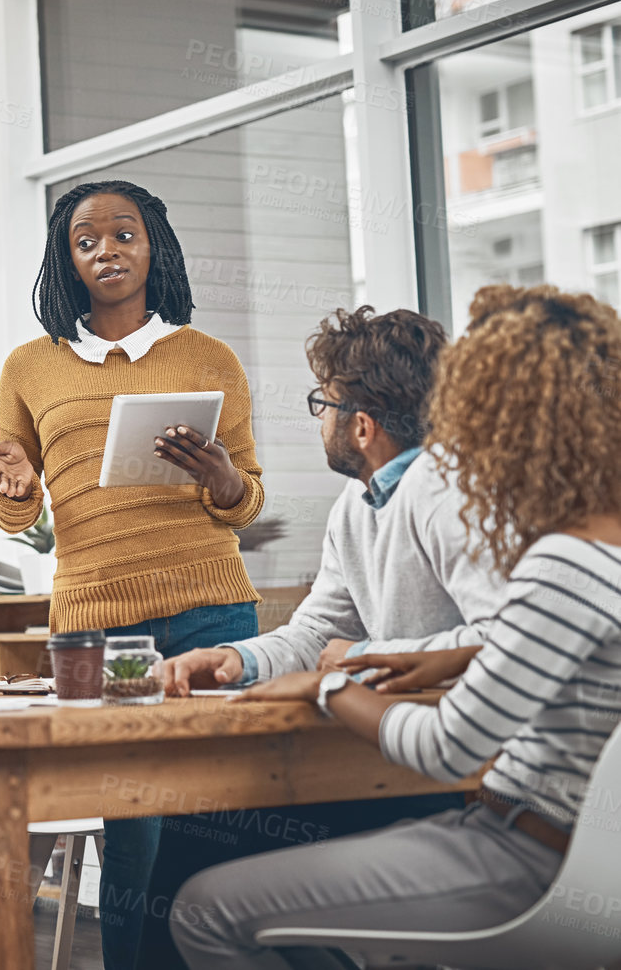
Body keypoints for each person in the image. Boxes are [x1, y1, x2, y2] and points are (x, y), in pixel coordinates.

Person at [171, 284, 621, 969]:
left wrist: (324, 685)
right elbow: (328, 627)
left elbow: (450, 745)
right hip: (536, 838)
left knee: (202, 891)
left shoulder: (556, 555)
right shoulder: (587, 552)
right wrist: (242, 658)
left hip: (524, 847)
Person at [138, 306, 508, 967]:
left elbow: (501, 635)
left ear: (360, 425)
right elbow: (318, 629)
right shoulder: (361, 502)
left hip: (456, 772)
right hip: (391, 755)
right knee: (212, 826)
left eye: (322, 403)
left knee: (207, 835)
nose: (319, 418)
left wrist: (358, 659)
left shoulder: (447, 493)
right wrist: (233, 658)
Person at [0, 179, 266, 969]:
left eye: (123, 234)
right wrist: (14, 488)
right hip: (95, 626)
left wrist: (220, 478)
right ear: (64, 258)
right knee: (132, 829)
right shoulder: (28, 367)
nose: (105, 249)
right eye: (85, 240)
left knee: (219, 817)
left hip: (212, 610)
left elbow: (244, 501)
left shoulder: (207, 356)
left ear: (153, 247)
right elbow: (15, 506)